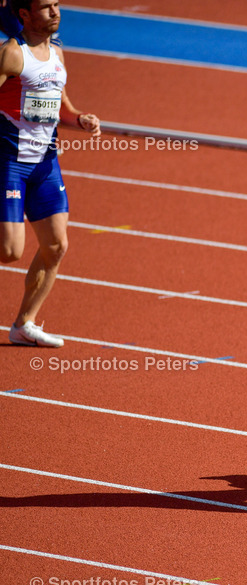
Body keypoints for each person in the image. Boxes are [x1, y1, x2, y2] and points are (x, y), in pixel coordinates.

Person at [1, 0, 99, 347]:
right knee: (10, 251)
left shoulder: (57, 54)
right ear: (24, 15)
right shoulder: (11, 55)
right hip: (8, 163)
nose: (56, 12)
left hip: (44, 164)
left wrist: (81, 120)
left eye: (57, 4)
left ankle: (23, 325)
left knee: (56, 245)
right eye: (46, 6)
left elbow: (63, 108)